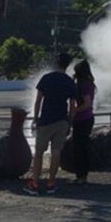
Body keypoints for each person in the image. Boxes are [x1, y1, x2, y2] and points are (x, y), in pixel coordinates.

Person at [25, 53, 76, 196]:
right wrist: (70, 123)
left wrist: (35, 119)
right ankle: (51, 184)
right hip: (61, 121)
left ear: (55, 63)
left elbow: (38, 101)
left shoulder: (46, 78)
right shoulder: (69, 81)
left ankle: (34, 183)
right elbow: (72, 105)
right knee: (56, 152)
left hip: (46, 120)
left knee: (39, 153)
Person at [71, 60, 96, 185]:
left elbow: (87, 104)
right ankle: (83, 176)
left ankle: (80, 176)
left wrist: (74, 111)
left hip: (82, 119)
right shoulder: (89, 83)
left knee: (79, 148)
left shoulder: (83, 85)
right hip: (88, 118)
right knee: (83, 148)